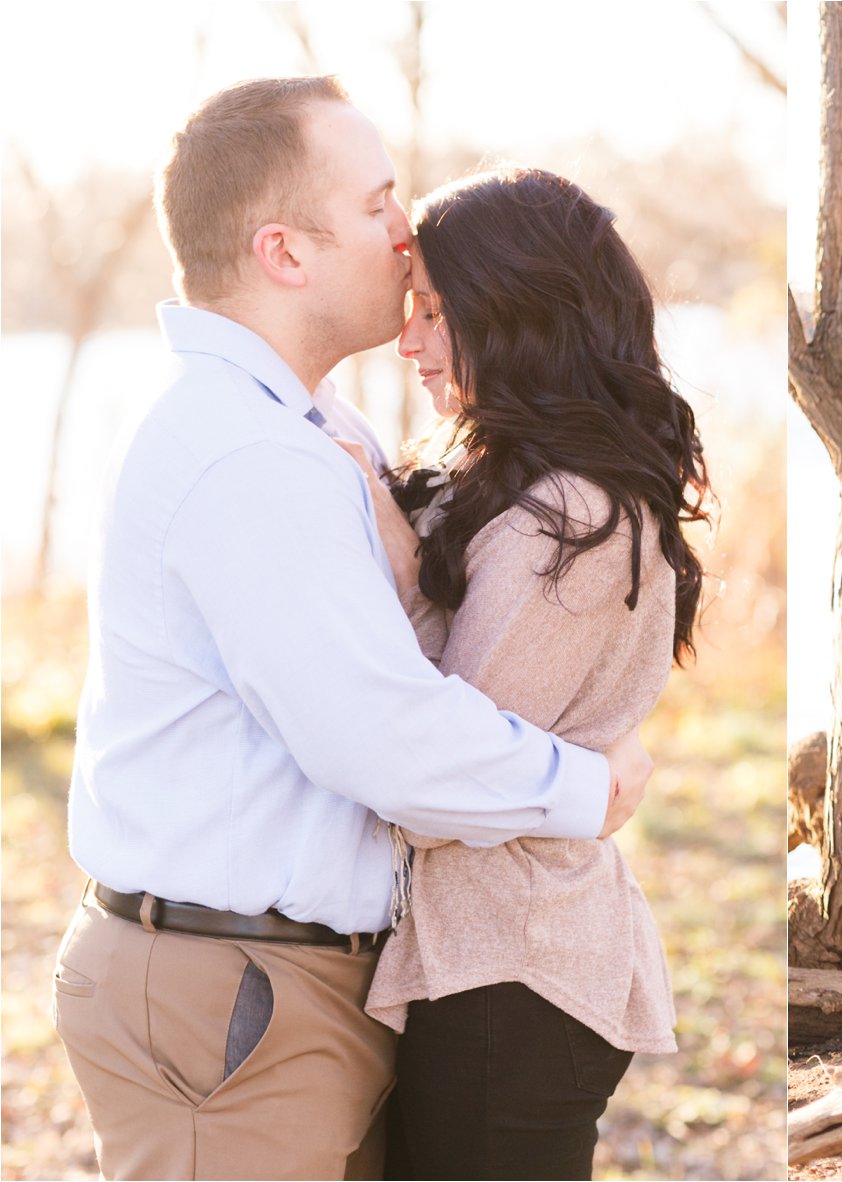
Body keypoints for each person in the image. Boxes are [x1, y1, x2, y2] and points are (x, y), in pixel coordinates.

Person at [51, 78, 653, 1182]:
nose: (405, 228)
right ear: (284, 252)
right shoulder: (250, 455)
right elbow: (381, 738)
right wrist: (588, 788)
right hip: (227, 996)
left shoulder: (307, 424)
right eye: (378, 201)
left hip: (278, 987)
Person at [345, 167, 708, 1181]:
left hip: (516, 975)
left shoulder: (572, 515)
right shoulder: (522, 478)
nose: (407, 341)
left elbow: (441, 780)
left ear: (511, 313)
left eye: (433, 312)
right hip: (496, 962)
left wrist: (390, 547)